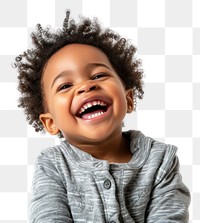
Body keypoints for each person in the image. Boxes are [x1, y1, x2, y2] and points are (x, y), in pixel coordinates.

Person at [15, 10, 190, 223]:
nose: (86, 86)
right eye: (65, 85)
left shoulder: (161, 160)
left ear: (129, 99)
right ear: (50, 123)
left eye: (98, 75)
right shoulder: (53, 165)